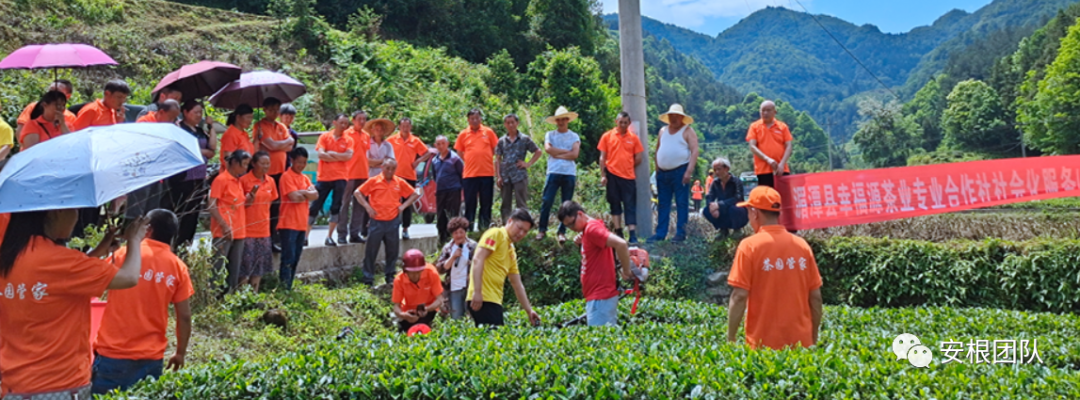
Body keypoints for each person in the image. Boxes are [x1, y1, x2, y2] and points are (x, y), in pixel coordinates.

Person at [0, 211, 147, 398]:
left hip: (14, 385)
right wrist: (135, 240)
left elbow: (60, 278)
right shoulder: (60, 260)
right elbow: (129, 277)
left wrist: (100, 250)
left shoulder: (11, 255)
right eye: (75, 210)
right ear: (56, 213)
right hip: (59, 385)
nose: (77, 217)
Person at [91, 209, 194, 395]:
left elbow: (91, 279)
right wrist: (180, 352)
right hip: (151, 357)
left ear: (147, 229)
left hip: (113, 354)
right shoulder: (178, 267)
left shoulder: (123, 255)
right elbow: (184, 316)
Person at [726, 186, 823, 350]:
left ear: (755, 213)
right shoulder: (802, 246)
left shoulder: (749, 246)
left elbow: (740, 296)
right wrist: (812, 338)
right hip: (801, 346)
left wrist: (731, 339)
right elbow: (815, 297)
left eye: (749, 212)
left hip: (762, 347)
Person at [557, 201, 633, 327]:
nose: (572, 229)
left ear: (580, 214)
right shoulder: (589, 229)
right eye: (568, 227)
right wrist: (583, 241)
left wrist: (626, 271)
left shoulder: (592, 229)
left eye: (572, 224)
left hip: (601, 297)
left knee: (601, 343)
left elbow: (621, 244)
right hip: (597, 296)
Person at [468, 208, 541, 327]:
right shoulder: (496, 233)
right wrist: (477, 292)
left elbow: (517, 284)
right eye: (519, 228)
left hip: (495, 301)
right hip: (483, 298)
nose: (521, 233)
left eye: (525, 231)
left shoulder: (511, 250)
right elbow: (478, 259)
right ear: (510, 221)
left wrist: (529, 310)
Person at [355, 158, 420, 286]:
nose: (390, 171)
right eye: (387, 168)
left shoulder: (399, 182)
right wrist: (368, 207)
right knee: (371, 251)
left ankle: (390, 277)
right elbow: (358, 192)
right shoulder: (374, 181)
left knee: (392, 251)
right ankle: (368, 278)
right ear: (382, 167)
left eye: (392, 169)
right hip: (376, 221)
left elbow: (414, 194)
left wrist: (403, 206)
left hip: (393, 221)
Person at [169, 100, 217, 248]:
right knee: (182, 212)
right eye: (195, 112)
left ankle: (186, 245)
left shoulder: (200, 130)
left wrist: (211, 126)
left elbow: (213, 148)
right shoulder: (179, 128)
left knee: (193, 215)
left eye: (200, 113)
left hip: (198, 178)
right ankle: (175, 243)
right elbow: (183, 148)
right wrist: (203, 152)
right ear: (185, 112)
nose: (199, 115)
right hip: (183, 178)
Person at [649, 104, 700, 243]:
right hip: (662, 173)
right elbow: (658, 149)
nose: (674, 118)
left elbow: (695, 152)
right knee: (663, 204)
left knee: (681, 203)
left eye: (677, 116)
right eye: (672, 116)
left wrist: (689, 171)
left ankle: (680, 233)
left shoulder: (688, 131)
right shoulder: (662, 131)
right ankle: (660, 233)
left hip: (680, 171)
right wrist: (657, 167)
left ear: (682, 117)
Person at [127, 100, 183, 220]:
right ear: (161, 112)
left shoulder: (168, 126)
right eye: (170, 117)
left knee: (151, 213)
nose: (172, 121)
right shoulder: (145, 122)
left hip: (158, 174)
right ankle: (130, 237)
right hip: (142, 173)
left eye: (174, 118)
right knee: (136, 213)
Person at [253, 97, 295, 249]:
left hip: (280, 171)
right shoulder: (259, 126)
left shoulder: (281, 126)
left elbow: (291, 144)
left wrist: (279, 146)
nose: (274, 113)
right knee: (266, 206)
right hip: (266, 172)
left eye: (276, 110)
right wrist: (280, 145)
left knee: (277, 205)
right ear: (264, 110)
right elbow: (270, 145)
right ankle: (265, 238)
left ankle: (274, 237)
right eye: (270, 109)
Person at [598, 111, 645, 243]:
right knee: (614, 203)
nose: (623, 125)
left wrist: (628, 165)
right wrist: (603, 175)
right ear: (616, 122)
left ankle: (632, 233)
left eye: (625, 123)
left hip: (628, 177)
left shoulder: (633, 138)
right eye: (621, 122)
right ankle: (618, 232)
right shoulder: (607, 136)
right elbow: (602, 157)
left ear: (629, 124)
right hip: (611, 175)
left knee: (630, 205)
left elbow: (639, 157)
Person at [537, 106, 581, 243]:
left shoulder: (574, 136)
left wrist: (558, 153)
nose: (561, 122)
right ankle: (542, 229)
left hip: (569, 173)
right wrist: (565, 152)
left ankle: (562, 231)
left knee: (566, 204)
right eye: (558, 120)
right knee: (547, 200)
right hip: (553, 171)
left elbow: (575, 154)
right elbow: (548, 149)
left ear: (567, 120)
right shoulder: (550, 134)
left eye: (563, 119)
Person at [209, 150, 252, 293]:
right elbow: (211, 205)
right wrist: (224, 226)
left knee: (234, 268)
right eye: (243, 164)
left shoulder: (238, 181)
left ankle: (230, 297)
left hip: (239, 231)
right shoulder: (221, 180)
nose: (245, 168)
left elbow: (240, 205)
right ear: (234, 163)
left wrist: (250, 199)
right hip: (223, 231)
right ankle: (214, 298)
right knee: (218, 268)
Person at [310, 114, 355, 247]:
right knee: (315, 206)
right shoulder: (324, 137)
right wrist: (339, 157)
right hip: (323, 176)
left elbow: (348, 156)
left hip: (340, 177)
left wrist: (332, 155)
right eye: (341, 122)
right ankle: (305, 236)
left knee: (336, 207)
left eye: (345, 123)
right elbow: (321, 154)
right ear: (334, 122)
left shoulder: (348, 139)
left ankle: (329, 236)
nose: (343, 126)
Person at [278, 147, 318, 290]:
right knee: (288, 258)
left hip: (301, 224)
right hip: (288, 224)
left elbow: (315, 195)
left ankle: (289, 285)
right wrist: (306, 193)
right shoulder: (286, 177)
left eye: (304, 163)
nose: (301, 165)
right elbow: (294, 197)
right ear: (292, 160)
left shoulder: (304, 178)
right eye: (299, 162)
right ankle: (284, 287)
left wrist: (303, 193)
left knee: (295, 258)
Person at [239, 151, 279, 292]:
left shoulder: (271, 181)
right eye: (262, 163)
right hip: (247, 229)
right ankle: (242, 294)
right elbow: (240, 204)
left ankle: (254, 293)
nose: (265, 166)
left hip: (264, 229)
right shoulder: (244, 180)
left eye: (268, 163)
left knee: (259, 266)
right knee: (245, 266)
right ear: (253, 164)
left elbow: (272, 200)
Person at [387, 117, 432, 239]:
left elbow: (427, 153)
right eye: (403, 126)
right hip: (395, 176)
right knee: (393, 202)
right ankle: (392, 228)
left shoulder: (415, 140)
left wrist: (418, 161)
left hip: (409, 176)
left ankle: (405, 229)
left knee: (407, 203)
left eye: (407, 126)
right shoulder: (392, 140)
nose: (405, 128)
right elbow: (385, 153)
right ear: (399, 127)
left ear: (410, 127)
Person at [454, 108, 499, 231]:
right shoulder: (463, 134)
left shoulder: (488, 132)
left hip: (487, 173)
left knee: (486, 203)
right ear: (468, 120)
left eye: (477, 118)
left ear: (480, 119)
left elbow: (496, 148)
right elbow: (459, 152)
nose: (475, 121)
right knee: (470, 203)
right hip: (470, 174)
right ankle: (469, 227)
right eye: (472, 118)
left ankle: (484, 227)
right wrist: (470, 159)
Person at [495, 114, 541, 225]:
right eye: (508, 122)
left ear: (517, 123)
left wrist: (528, 163)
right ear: (505, 124)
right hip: (505, 176)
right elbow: (497, 159)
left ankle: (523, 225)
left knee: (521, 203)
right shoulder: (502, 141)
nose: (510, 125)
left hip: (519, 175)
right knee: (506, 203)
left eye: (513, 122)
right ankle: (506, 225)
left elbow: (538, 151)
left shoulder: (524, 139)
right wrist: (498, 176)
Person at [391, 249, 444, 333]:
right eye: (412, 273)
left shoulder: (431, 273)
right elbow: (396, 306)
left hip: (428, 310)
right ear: (405, 271)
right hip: (408, 312)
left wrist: (426, 309)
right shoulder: (399, 280)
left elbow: (439, 299)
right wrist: (403, 315)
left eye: (418, 272)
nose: (415, 276)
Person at [434, 217, 476, 319]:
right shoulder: (448, 248)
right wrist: (453, 257)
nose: (459, 235)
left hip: (470, 287)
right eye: (455, 233)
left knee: (472, 317)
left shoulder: (473, 246)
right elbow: (440, 269)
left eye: (461, 232)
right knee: (456, 318)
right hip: (454, 287)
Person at [338, 111, 371, 244]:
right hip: (348, 174)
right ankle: (341, 234)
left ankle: (355, 233)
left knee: (360, 205)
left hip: (363, 174)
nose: (362, 122)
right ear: (353, 120)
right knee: (344, 204)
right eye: (359, 119)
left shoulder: (367, 136)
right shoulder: (345, 134)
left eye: (364, 119)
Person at [747, 100, 794, 188]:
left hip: (781, 169)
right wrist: (767, 159)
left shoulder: (782, 126)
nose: (765, 113)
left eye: (768, 110)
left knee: (784, 197)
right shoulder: (754, 126)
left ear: (774, 112)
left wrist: (782, 163)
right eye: (763, 110)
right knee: (767, 198)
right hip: (763, 170)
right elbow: (752, 146)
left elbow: (788, 146)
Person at [703, 157, 748, 240]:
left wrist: (719, 204)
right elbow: (710, 196)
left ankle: (737, 230)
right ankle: (723, 230)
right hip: (722, 210)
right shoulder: (715, 183)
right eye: (715, 170)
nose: (717, 172)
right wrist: (712, 207)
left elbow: (738, 198)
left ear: (726, 168)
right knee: (706, 210)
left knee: (734, 209)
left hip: (736, 210)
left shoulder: (736, 181)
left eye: (719, 169)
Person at [431, 135, 463, 243]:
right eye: (438, 144)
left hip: (453, 191)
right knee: (441, 217)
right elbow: (435, 176)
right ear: (435, 146)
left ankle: (454, 240)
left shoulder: (455, 158)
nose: (441, 146)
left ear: (447, 144)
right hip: (440, 192)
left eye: (443, 143)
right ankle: (442, 240)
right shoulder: (434, 160)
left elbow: (462, 174)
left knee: (453, 216)